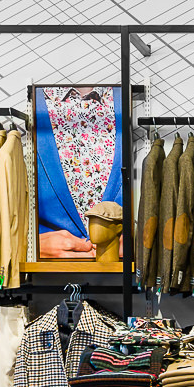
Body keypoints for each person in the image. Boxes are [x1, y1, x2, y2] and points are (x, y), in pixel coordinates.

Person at [35, 87, 123, 259]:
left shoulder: (132, 100)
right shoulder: (25, 104)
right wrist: (27, 245)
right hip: (45, 270)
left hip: (125, 269)